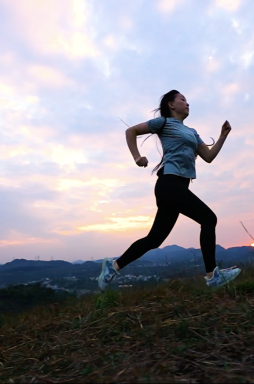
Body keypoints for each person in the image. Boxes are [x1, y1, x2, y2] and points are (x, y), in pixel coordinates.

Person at [98, 90, 242, 291]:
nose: (187, 102)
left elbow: (208, 156)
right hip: (169, 183)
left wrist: (223, 136)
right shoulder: (163, 123)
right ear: (171, 105)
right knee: (209, 219)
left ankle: (112, 267)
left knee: (154, 239)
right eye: (182, 99)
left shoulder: (192, 132)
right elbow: (130, 132)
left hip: (179, 186)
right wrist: (137, 157)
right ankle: (212, 276)